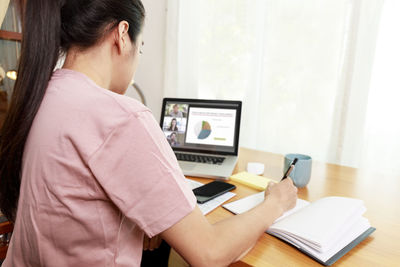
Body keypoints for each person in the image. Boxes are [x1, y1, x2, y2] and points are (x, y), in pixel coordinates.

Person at [0, 0, 298, 266]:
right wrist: (275, 203)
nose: (138, 60)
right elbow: (210, 253)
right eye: (140, 47)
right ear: (121, 35)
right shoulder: (120, 117)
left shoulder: (41, 96)